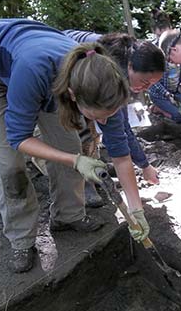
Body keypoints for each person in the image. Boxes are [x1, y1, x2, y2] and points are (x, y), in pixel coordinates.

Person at [0, 18, 137, 273]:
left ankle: (68, 216)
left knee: (68, 144)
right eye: (97, 116)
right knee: (10, 162)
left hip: (36, 69)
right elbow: (19, 139)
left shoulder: (106, 84)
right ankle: (21, 239)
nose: (104, 122)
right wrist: (76, 161)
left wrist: (136, 210)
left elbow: (120, 152)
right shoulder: (36, 69)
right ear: (73, 96)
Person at [65, 31, 164, 206]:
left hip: (85, 84)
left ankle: (94, 170)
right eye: (145, 82)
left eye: (151, 85)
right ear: (131, 67)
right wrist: (144, 168)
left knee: (100, 122)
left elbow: (122, 126)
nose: (145, 89)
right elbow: (119, 135)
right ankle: (84, 184)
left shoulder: (125, 58)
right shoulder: (112, 72)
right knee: (80, 130)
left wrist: (144, 165)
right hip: (64, 81)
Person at [148, 9, 181, 123]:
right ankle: (158, 109)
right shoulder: (151, 50)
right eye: (159, 35)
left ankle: (173, 107)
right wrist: (166, 94)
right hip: (160, 93)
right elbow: (151, 80)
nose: (162, 38)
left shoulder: (178, 43)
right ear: (153, 32)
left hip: (177, 90)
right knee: (180, 117)